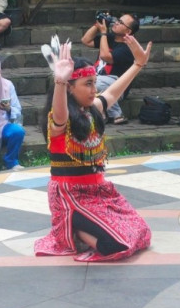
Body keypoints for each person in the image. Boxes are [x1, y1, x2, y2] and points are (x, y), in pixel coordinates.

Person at [35, 37, 153, 262]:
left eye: (94, 82)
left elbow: (113, 93)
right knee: (117, 245)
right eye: (87, 84)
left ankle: (78, 230)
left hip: (99, 192)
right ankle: (71, 227)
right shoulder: (60, 120)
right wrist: (59, 81)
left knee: (142, 233)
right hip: (71, 196)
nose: (94, 89)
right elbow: (59, 112)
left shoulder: (92, 110)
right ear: (70, 88)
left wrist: (138, 64)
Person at [80, 12, 141, 125]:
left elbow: (106, 57)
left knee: (92, 84)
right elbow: (85, 40)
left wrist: (103, 33)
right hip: (98, 78)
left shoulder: (129, 47)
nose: (116, 23)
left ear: (128, 32)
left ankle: (116, 114)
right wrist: (97, 24)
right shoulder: (111, 38)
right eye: (118, 20)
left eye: (121, 23)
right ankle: (102, 113)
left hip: (118, 86)